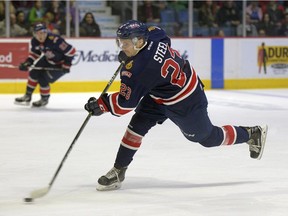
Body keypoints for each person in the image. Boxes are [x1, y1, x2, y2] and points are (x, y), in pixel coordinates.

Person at [84, 20, 268, 191]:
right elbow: (161, 34)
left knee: (207, 138)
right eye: (120, 42)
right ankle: (119, 170)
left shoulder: (140, 69)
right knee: (136, 126)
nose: (122, 48)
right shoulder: (152, 36)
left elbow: (124, 105)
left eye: (126, 43)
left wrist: (102, 104)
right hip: (160, 94)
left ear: (139, 41)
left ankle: (251, 134)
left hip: (186, 100)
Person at [15, 23, 76, 107]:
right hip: (47, 59)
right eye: (38, 33)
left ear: (46, 32)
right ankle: (27, 96)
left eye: (43, 32)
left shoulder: (55, 40)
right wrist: (28, 62)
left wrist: (67, 65)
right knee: (33, 73)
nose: (41, 35)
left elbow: (71, 51)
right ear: (35, 34)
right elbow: (35, 53)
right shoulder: (35, 41)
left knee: (43, 78)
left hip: (59, 64)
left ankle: (44, 99)